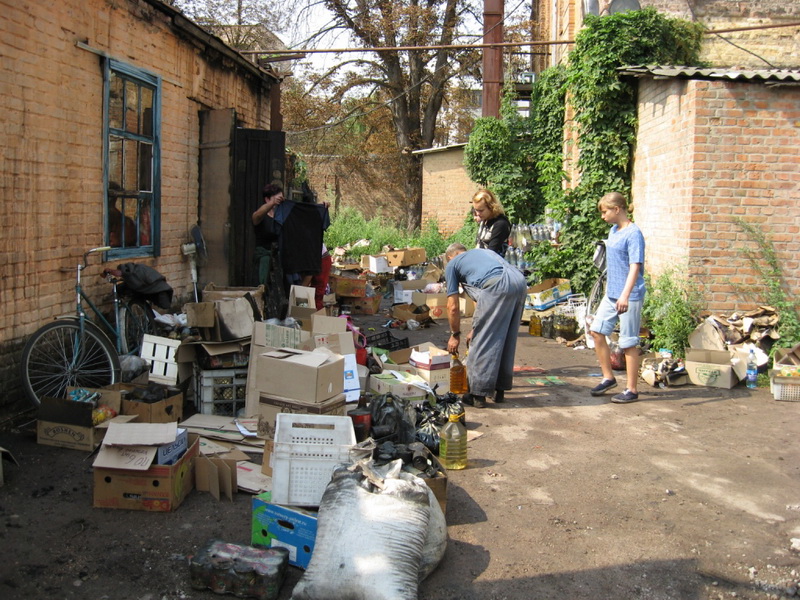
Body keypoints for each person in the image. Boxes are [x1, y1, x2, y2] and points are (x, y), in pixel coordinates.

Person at [444, 243, 527, 408]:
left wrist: (455, 335)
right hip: (520, 282)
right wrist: (475, 328)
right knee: (506, 337)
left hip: (497, 285)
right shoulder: (482, 253)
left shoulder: (452, 264)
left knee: (483, 342)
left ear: (449, 257)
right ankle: (499, 390)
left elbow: (452, 307)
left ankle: (477, 395)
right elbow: (480, 298)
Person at [588, 192, 646, 404]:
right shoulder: (614, 230)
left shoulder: (633, 234)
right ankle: (608, 378)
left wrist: (625, 295)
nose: (602, 216)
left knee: (628, 342)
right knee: (596, 331)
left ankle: (631, 390)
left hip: (629, 295)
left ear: (617, 209)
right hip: (611, 294)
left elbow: (635, 267)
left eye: (605, 212)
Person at [252, 183, 287, 319]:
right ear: (267, 199)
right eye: (276, 198)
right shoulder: (261, 216)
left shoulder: (280, 216)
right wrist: (272, 203)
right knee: (261, 290)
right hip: (264, 260)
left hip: (278, 261)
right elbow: (256, 216)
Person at [472, 189, 511, 256]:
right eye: (476, 210)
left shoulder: (500, 224)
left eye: (481, 210)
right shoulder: (484, 220)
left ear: (491, 207)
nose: (477, 214)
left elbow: (491, 253)